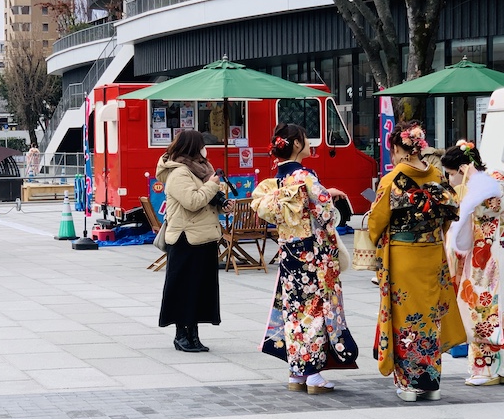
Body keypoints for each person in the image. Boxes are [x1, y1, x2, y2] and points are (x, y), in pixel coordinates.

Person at [251, 123, 358, 394]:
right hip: (311, 253)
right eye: (306, 139)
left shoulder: (276, 180)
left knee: (293, 309)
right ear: (296, 145)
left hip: (288, 250)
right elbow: (325, 213)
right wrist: (330, 201)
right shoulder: (304, 176)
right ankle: (313, 375)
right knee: (313, 310)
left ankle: (296, 373)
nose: (310, 143)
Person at [368, 121, 466, 402]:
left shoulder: (392, 179)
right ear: (419, 145)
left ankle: (411, 384)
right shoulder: (437, 175)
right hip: (432, 253)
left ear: (398, 148)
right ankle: (431, 383)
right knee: (429, 318)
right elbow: (449, 215)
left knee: (405, 319)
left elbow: (376, 223)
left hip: (403, 256)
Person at [155, 129, 233, 353]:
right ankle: (181, 335)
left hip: (204, 238)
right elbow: (192, 201)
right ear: (192, 148)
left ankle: (194, 334)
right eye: (201, 145)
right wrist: (212, 185)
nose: (205, 150)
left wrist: (222, 205)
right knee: (184, 289)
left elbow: (206, 203)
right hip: (185, 240)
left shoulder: (200, 171)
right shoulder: (178, 173)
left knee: (200, 290)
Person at [442, 140, 504, 386]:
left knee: (479, 308)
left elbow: (464, 227)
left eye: (450, 174)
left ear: (463, 168)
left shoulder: (478, 190)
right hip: (494, 250)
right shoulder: (495, 181)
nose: (450, 180)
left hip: (483, 255)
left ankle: (485, 370)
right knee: (494, 308)